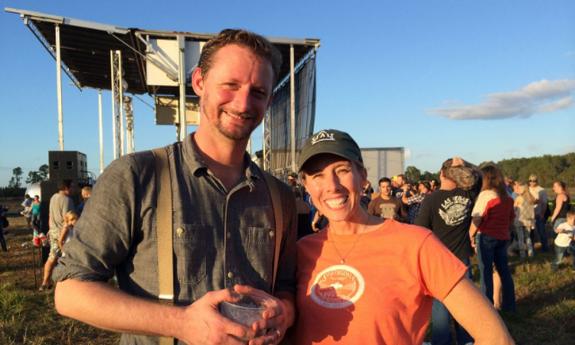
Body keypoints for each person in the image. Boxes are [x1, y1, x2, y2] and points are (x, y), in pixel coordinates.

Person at [53, 29, 297, 345]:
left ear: (269, 100)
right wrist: (181, 322)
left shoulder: (279, 197)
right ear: (199, 82)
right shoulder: (136, 175)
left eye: (258, 92)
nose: (243, 102)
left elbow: (287, 287)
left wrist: (284, 313)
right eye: (231, 85)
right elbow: (70, 291)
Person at [293, 129, 514, 345]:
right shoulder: (300, 251)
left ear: (363, 176)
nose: (331, 186)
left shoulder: (415, 244)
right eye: (317, 175)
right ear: (306, 186)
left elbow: (497, 337)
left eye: (342, 170)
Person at [414, 157, 480, 345]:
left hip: (438, 262)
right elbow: (481, 175)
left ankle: (441, 342)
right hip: (462, 259)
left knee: (440, 309)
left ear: (441, 173)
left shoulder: (431, 199)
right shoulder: (469, 194)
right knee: (465, 306)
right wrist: (466, 164)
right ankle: (465, 341)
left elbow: (420, 230)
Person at [469, 165, 516, 312]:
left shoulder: (486, 195)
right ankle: (510, 306)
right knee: (504, 272)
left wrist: (470, 235)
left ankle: (487, 308)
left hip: (487, 237)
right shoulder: (507, 196)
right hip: (503, 237)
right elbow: (511, 219)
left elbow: (477, 218)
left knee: (486, 273)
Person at [40, 179, 75, 291]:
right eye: (72, 186)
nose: (73, 189)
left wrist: (51, 230)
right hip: (63, 234)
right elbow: (67, 219)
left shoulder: (53, 197)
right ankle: (62, 285)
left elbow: (50, 215)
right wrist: (63, 237)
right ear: (66, 188)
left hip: (53, 231)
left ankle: (45, 283)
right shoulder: (67, 200)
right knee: (64, 258)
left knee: (52, 257)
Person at [510, 181, 536, 258]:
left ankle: (522, 254)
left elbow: (514, 209)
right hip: (529, 220)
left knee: (520, 238)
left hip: (520, 219)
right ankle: (531, 253)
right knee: (528, 237)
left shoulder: (519, 198)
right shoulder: (531, 198)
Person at [528, 174, 549, 251]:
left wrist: (542, 214)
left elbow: (544, 203)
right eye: (530, 180)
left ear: (537, 181)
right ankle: (531, 248)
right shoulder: (527, 189)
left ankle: (545, 248)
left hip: (538, 214)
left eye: (534, 181)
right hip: (529, 215)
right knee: (530, 232)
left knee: (541, 231)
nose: (532, 182)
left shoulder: (542, 190)